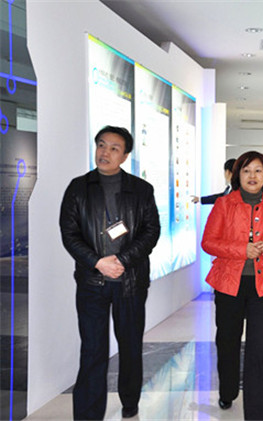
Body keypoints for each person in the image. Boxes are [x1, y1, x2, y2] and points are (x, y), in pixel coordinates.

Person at [59, 126, 160, 420]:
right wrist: (97, 262)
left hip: (130, 282)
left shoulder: (141, 190)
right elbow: (69, 234)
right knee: (93, 350)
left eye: (114, 148)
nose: (105, 152)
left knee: (130, 345)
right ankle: (88, 415)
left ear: (125, 155)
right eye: (101, 145)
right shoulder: (78, 188)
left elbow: (151, 232)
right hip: (92, 282)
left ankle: (130, 400)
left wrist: (123, 260)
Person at [201, 151, 263, 420]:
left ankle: (258, 413)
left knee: (260, 349)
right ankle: (228, 390)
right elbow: (209, 242)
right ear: (237, 175)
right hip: (228, 284)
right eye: (246, 170)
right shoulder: (224, 204)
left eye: (258, 171)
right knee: (227, 341)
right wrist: (242, 249)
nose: (252, 176)